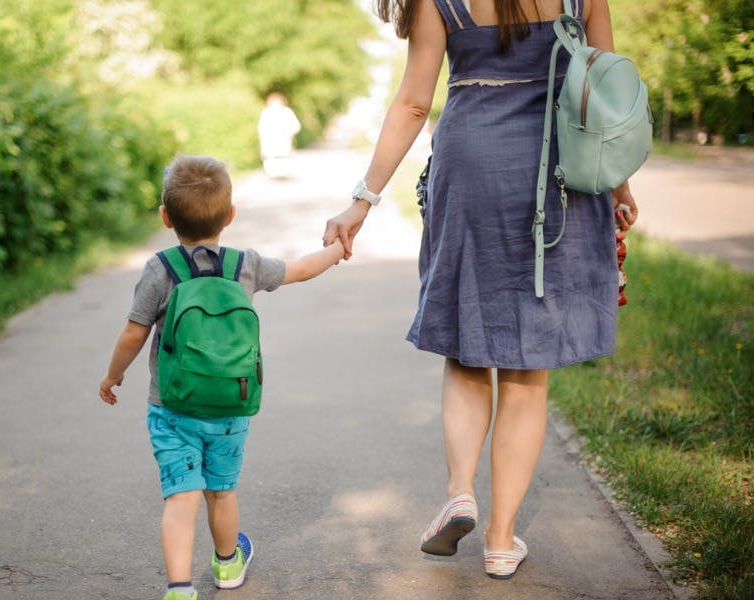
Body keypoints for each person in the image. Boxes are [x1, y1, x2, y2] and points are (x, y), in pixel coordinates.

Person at [323, 0, 639, 580]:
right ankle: (499, 541)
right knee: (527, 369)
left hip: (471, 164)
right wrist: (617, 184)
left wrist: (360, 201)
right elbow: (606, 93)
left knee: (469, 347)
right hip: (558, 173)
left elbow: (415, 102)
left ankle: (460, 490)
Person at [100, 154, 345, 600]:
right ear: (230, 215)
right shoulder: (244, 265)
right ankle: (229, 566)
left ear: (165, 216)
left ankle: (179, 589)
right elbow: (302, 269)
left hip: (172, 408)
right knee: (222, 492)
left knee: (181, 498)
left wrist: (113, 376)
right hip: (231, 406)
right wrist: (337, 248)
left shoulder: (161, 269)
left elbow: (134, 332)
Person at [258, 92, 302, 179]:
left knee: (283, 166)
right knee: (272, 167)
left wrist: (289, 133)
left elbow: (296, 126)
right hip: (269, 144)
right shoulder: (266, 113)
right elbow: (261, 129)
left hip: (284, 143)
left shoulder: (287, 112)